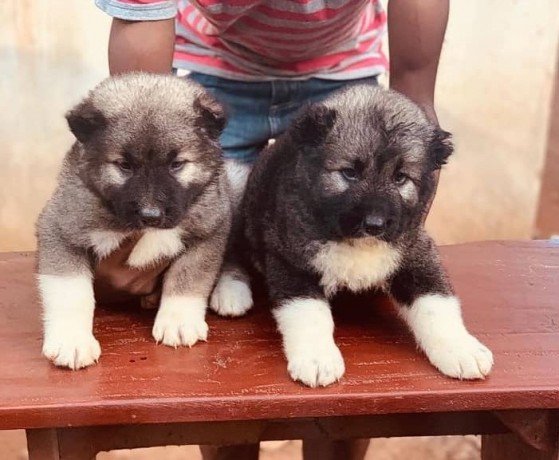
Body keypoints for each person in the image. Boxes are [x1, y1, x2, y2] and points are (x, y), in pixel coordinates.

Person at [93, 1, 450, 458]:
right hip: (216, 63)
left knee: (353, 310)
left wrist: (394, 234)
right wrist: (130, 242)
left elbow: (416, 96)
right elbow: (135, 111)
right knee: (207, 289)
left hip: (342, 72)